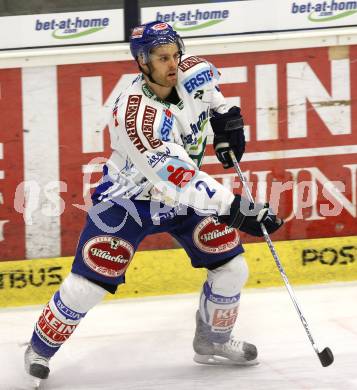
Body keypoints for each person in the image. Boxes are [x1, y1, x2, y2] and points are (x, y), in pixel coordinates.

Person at [24, 21, 283, 386]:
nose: (174, 64)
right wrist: (235, 208)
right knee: (87, 286)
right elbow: (177, 177)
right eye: (163, 58)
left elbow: (214, 97)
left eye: (176, 54)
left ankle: (212, 340)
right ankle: (39, 349)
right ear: (143, 62)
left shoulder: (196, 72)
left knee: (232, 267)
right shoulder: (135, 116)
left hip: (183, 201)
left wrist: (227, 121)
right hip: (129, 201)